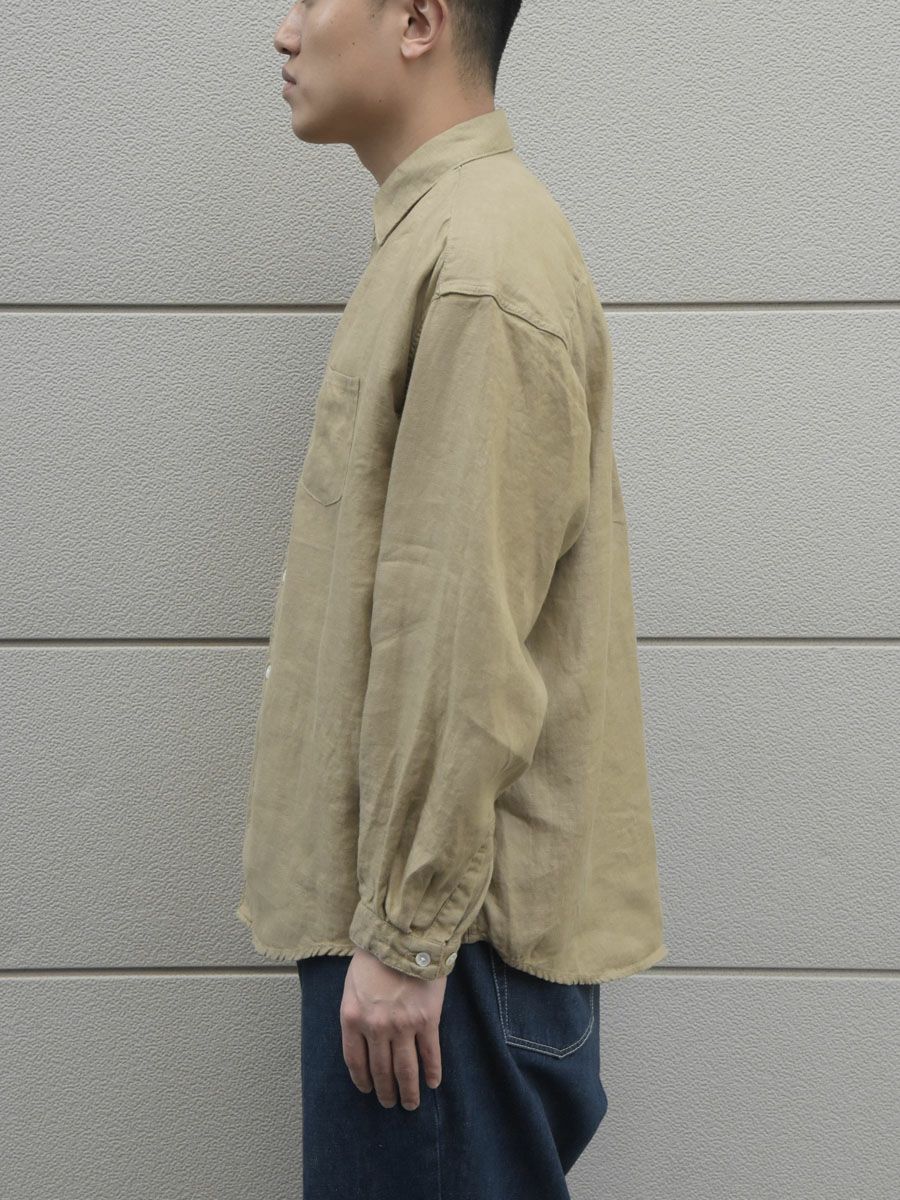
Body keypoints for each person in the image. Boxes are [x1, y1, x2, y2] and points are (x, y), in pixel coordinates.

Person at [236, 2, 668, 1196]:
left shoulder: (478, 260)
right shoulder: (446, 238)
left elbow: (460, 622)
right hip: (432, 946)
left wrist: (406, 933)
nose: (284, 32)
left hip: (444, 956)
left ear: (420, 20)